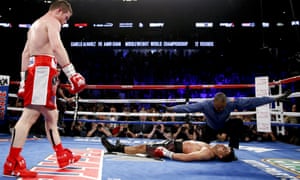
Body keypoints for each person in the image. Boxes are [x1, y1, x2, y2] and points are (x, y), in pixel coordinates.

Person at [3, 0, 86, 178]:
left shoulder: (34, 26)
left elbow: (25, 53)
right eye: (66, 17)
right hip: (43, 70)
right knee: (29, 116)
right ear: (58, 11)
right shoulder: (52, 22)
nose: (65, 22)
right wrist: (72, 73)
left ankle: (61, 154)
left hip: (41, 71)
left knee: (52, 115)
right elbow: (56, 47)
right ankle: (11, 162)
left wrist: (24, 82)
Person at [158, 90, 291, 149]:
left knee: (238, 122)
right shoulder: (206, 104)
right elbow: (188, 108)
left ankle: (233, 148)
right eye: (218, 107)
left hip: (224, 125)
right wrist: (171, 109)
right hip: (210, 128)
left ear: (225, 103)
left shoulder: (231, 103)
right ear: (214, 102)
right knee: (200, 146)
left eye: (222, 108)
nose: (220, 109)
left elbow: (252, 102)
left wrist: (274, 99)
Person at [101, 136, 237, 162]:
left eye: (224, 150)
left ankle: (116, 148)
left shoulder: (207, 153)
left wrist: (168, 153)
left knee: (143, 148)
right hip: (174, 144)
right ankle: (120, 146)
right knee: (143, 147)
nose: (223, 147)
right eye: (226, 147)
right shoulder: (210, 147)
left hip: (174, 148)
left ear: (220, 156)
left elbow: (188, 157)